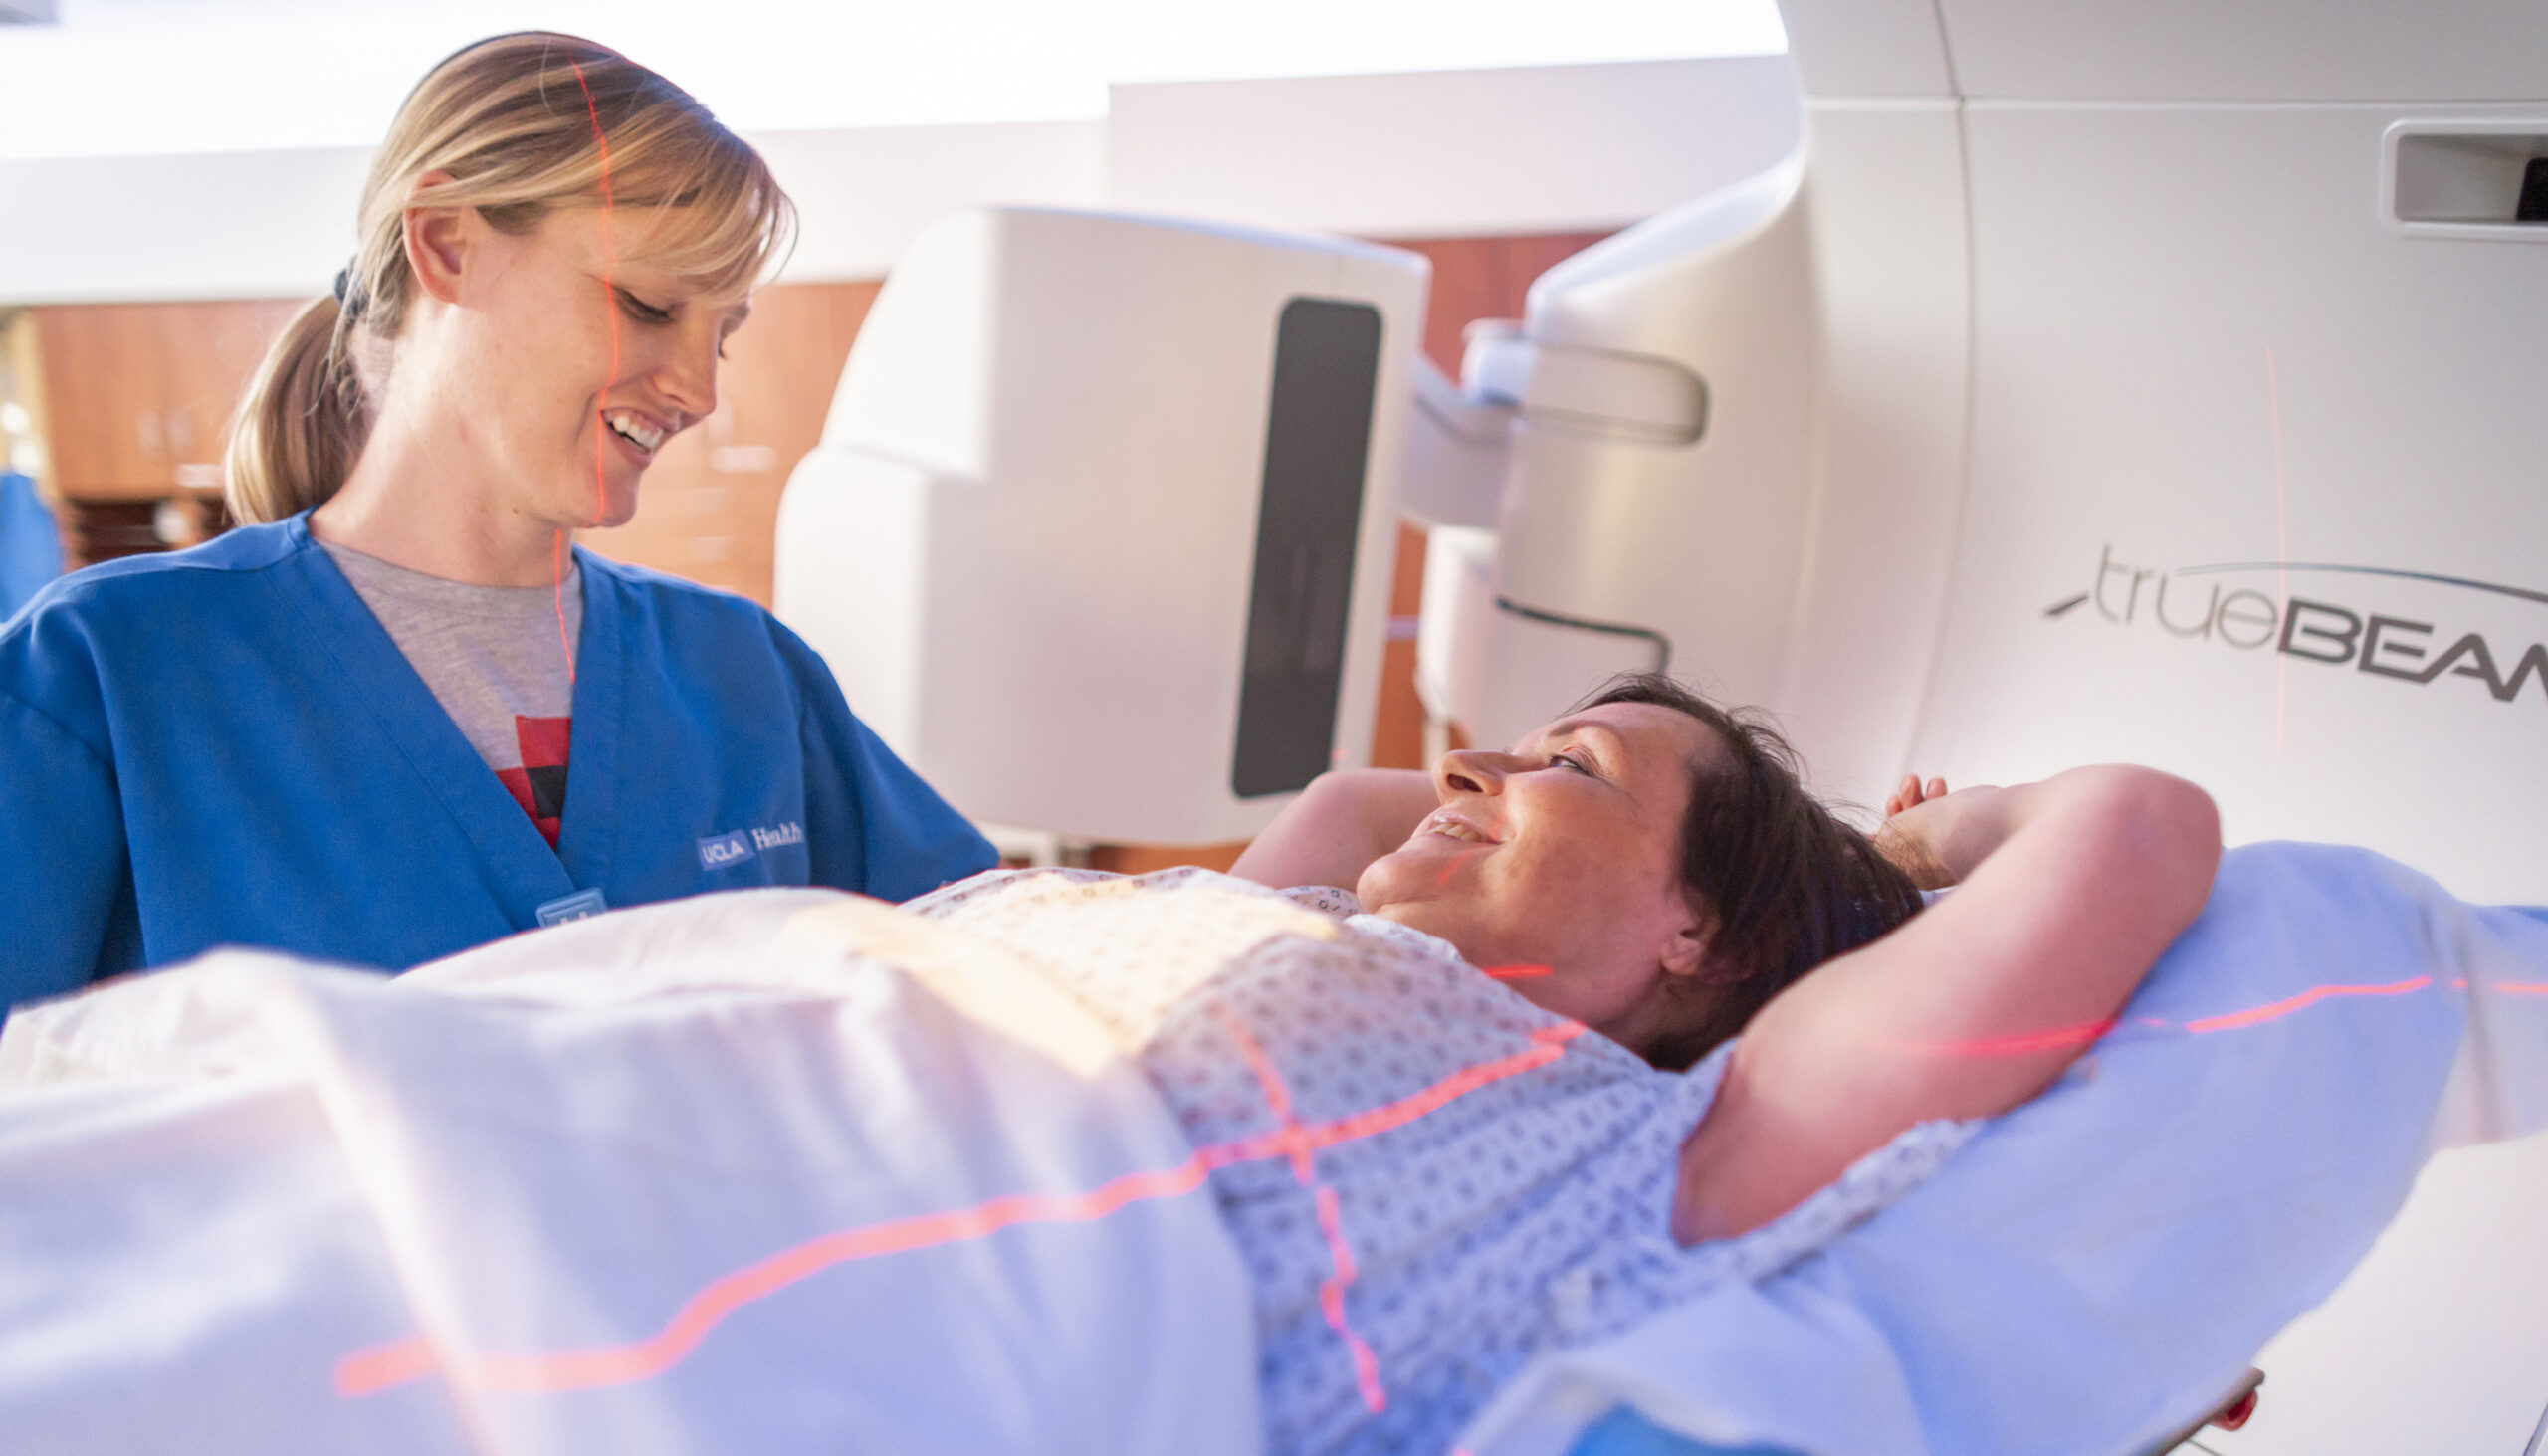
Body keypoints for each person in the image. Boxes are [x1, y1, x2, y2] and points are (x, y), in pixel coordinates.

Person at [914, 671, 2222, 1452]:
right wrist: (1554, 800)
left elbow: (2143, 825)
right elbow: (1345, 801)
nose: (1461, 765)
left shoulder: (1660, 1140)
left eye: (1569, 765)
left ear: (1700, 931)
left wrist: (1922, 851)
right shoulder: (1292, 913)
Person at [0, 34, 995, 1008]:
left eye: (724, 334)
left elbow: (989, 956)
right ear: (444, 244)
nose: (696, 390)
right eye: (648, 305)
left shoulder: (743, 675)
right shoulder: (103, 675)